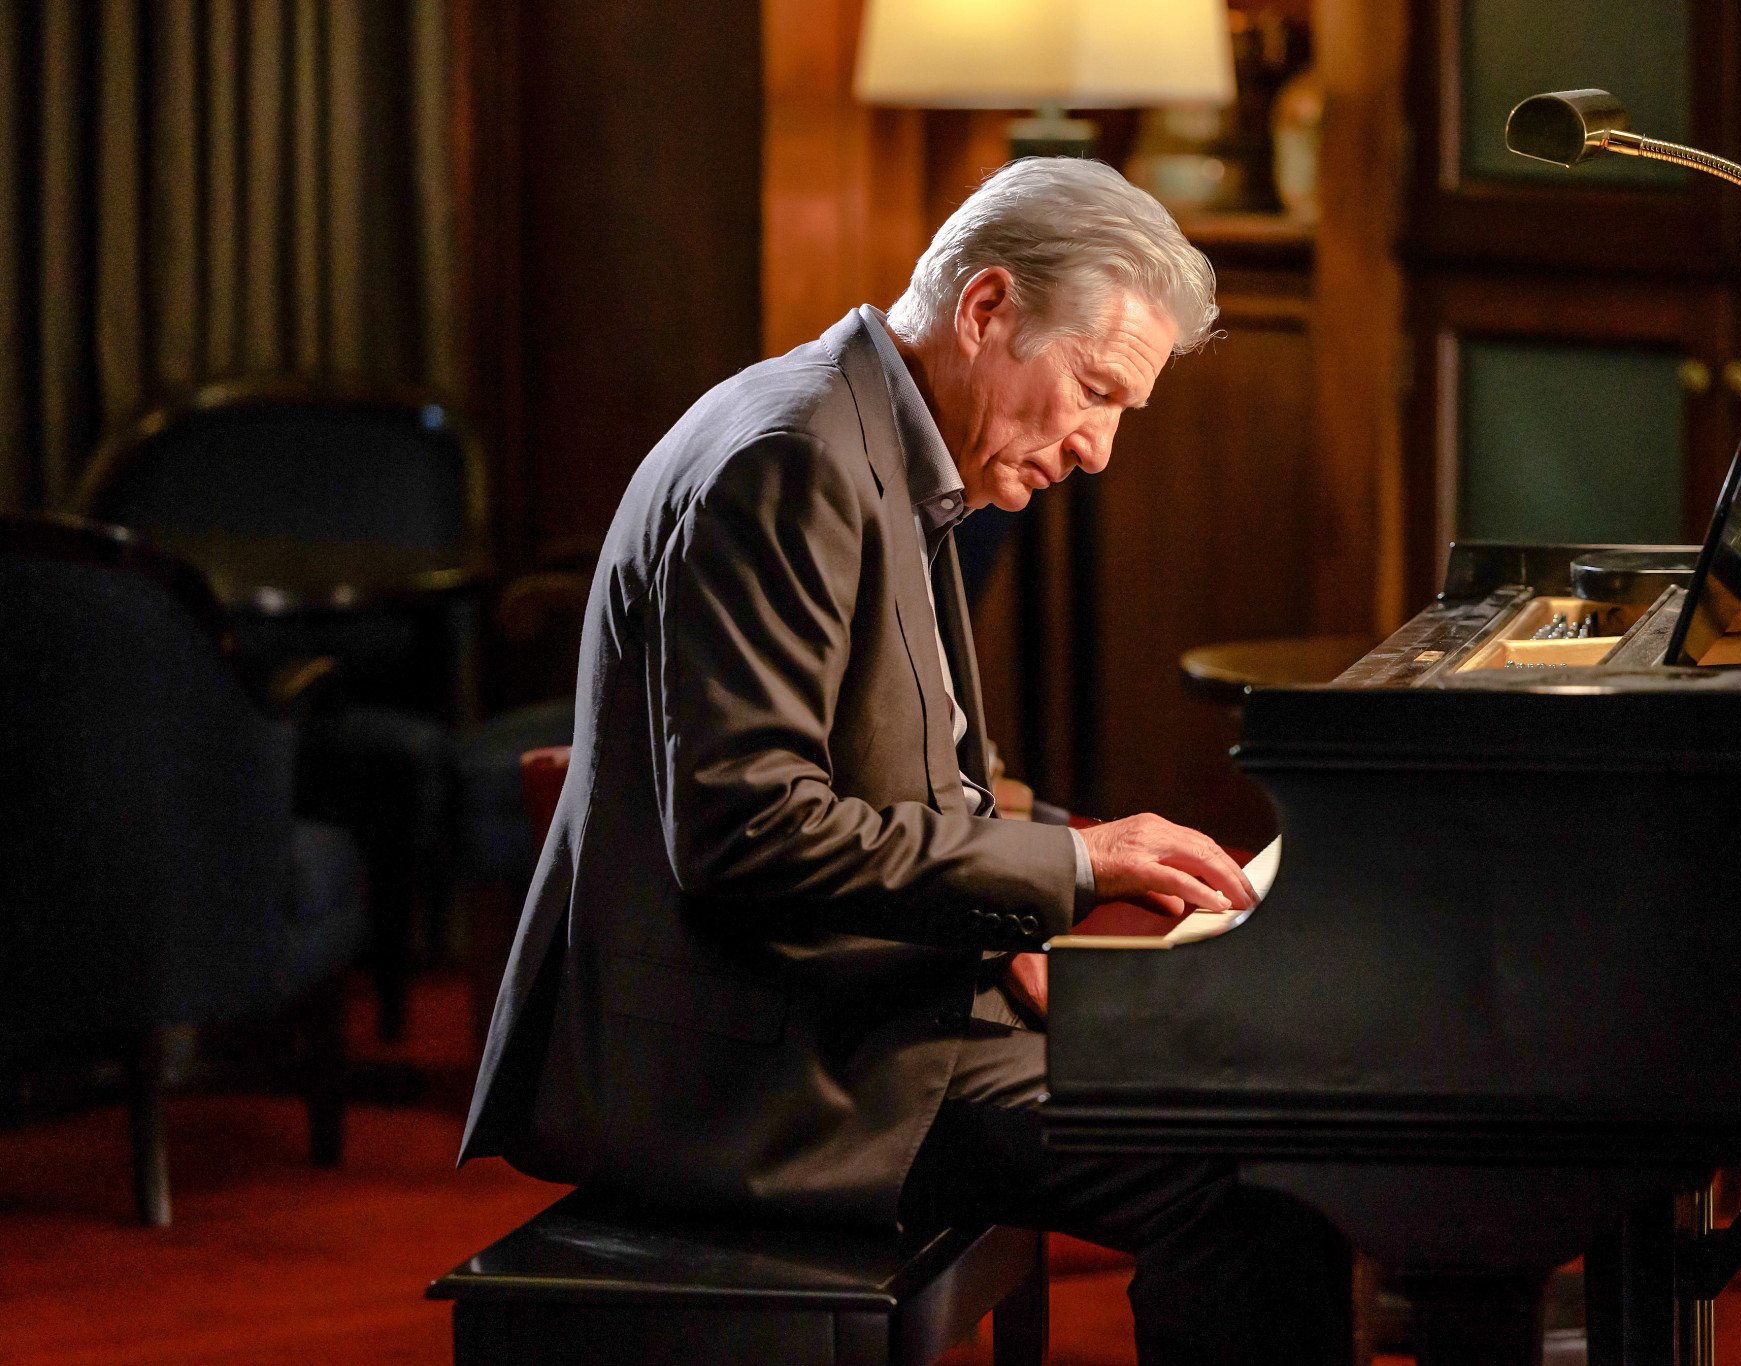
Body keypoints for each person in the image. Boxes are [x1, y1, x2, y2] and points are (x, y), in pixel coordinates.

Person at [460, 158, 1352, 1364]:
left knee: (1267, 1107)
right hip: (775, 1069)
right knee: (1250, 1167)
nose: (1097, 449)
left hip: (863, 1006)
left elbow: (916, 777)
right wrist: (1075, 866)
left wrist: (1031, 902)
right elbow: (748, 832)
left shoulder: (867, 430)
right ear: (985, 309)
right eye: (1093, 391)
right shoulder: (790, 459)